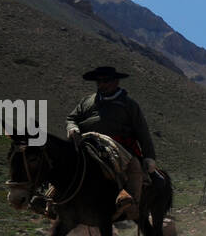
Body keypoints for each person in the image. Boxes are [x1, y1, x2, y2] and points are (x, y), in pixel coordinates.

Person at [66, 66, 157, 221]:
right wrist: (73, 128)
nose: (101, 84)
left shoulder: (129, 104)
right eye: (98, 81)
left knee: (134, 167)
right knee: (63, 161)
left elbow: (142, 131)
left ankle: (132, 206)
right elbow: (71, 118)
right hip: (89, 143)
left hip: (120, 147)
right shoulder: (86, 102)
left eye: (106, 81)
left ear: (116, 81)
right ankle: (51, 199)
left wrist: (149, 156)